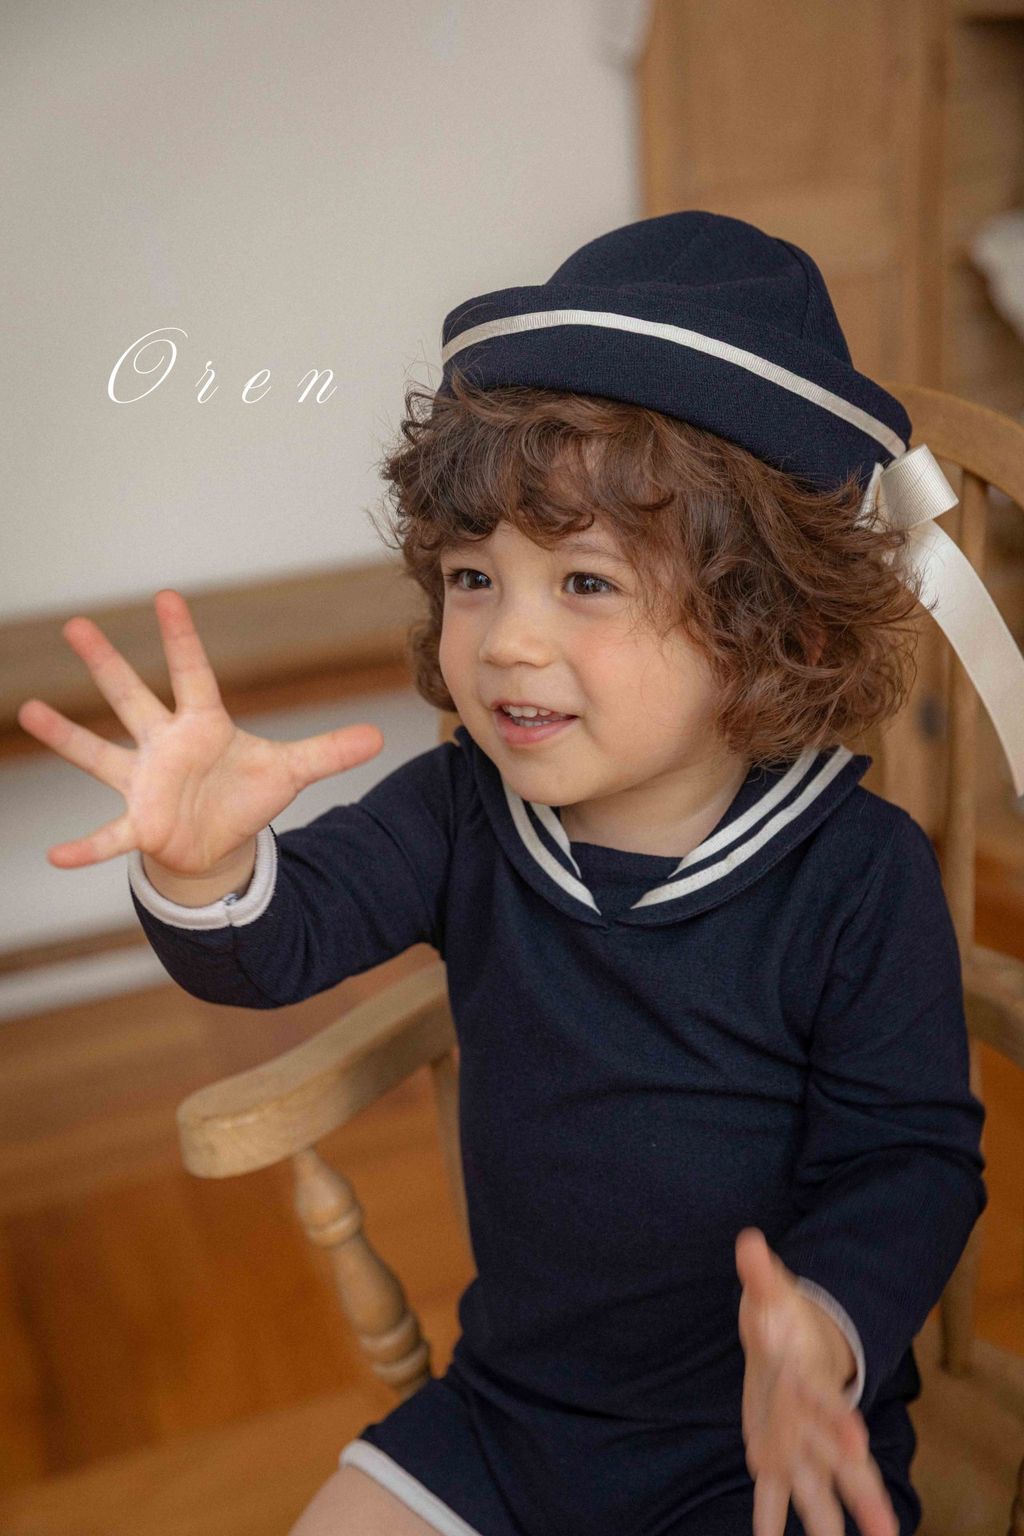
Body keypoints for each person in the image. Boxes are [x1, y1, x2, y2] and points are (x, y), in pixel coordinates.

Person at [20, 210, 1004, 1536]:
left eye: (585, 583)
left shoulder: (858, 875)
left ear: (774, 625)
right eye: (475, 576)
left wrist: (822, 1327)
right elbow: (274, 945)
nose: (505, 641)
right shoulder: (462, 811)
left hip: (766, 1442)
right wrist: (207, 867)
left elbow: (913, 1159)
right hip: (511, 1416)